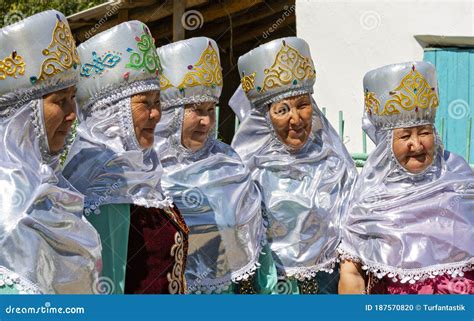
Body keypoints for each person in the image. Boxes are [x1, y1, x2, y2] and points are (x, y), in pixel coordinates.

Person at [62, 21, 188, 294]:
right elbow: (107, 287)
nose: (156, 115)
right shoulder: (104, 175)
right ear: (111, 111)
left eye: (158, 102)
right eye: (145, 103)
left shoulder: (143, 169)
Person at [231, 37, 357, 294]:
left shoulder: (335, 163)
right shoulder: (245, 172)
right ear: (264, 117)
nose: (296, 119)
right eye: (283, 110)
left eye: (303, 105)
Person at [338, 61, 474, 294]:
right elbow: (352, 273)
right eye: (404, 136)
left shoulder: (460, 179)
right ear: (385, 145)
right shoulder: (371, 196)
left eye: (424, 132)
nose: (417, 144)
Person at [154, 37, 276, 294]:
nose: (207, 122)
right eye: (197, 110)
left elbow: (257, 248)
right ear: (170, 113)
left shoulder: (229, 162)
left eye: (211, 109)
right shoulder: (148, 172)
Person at [0, 10, 101, 294]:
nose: (72, 115)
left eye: (73, 98)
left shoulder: (55, 187)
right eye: (60, 100)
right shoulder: (6, 202)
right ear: (22, 114)